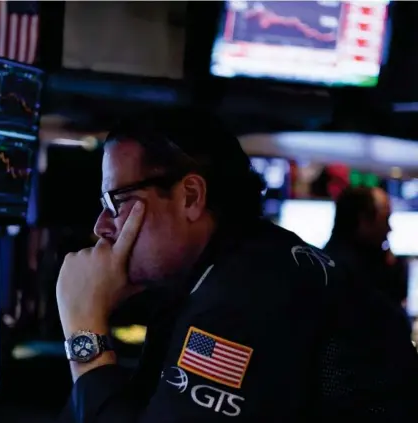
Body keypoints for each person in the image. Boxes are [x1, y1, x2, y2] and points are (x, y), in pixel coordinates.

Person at [56, 109, 418, 422]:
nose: (102, 226)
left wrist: (83, 328)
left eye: (118, 201)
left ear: (191, 197)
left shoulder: (243, 302)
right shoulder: (244, 264)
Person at [324, 186, 408, 308]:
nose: (389, 229)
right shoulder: (356, 278)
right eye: (385, 219)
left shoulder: (326, 263)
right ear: (364, 220)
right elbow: (392, 321)